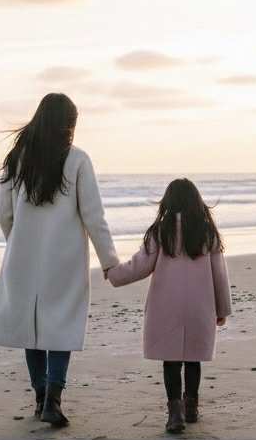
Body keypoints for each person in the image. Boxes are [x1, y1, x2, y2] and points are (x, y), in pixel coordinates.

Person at [0, 93, 119, 427]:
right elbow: (94, 216)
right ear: (68, 125)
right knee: (61, 324)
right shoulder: (77, 160)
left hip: (23, 256)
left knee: (31, 327)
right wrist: (109, 261)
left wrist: (17, 243)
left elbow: (3, 214)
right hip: (65, 257)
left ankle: (39, 395)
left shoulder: (17, 158)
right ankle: (53, 400)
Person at [106, 178, 231, 434]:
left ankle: (175, 414)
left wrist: (114, 274)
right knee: (194, 359)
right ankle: (192, 407)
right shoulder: (207, 232)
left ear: (168, 202)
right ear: (197, 202)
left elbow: (139, 266)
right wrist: (222, 309)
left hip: (167, 308)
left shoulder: (161, 232)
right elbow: (220, 275)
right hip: (200, 307)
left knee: (171, 361)